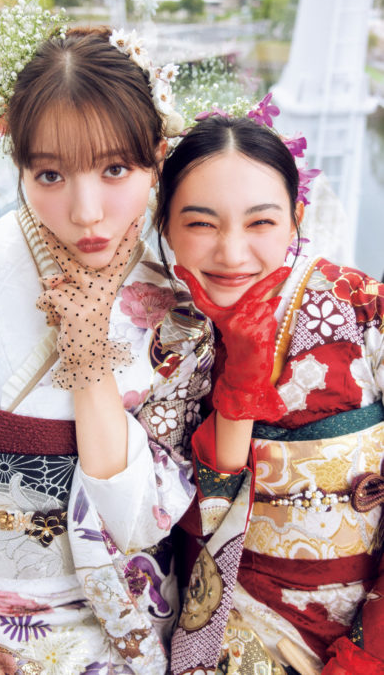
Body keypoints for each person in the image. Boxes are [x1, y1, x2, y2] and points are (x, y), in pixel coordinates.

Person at [0, 0, 213, 674]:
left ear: (157, 159)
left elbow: (137, 524)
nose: (86, 213)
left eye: (115, 170)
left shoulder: (181, 308)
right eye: (50, 175)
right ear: (19, 164)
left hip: (119, 627)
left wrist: (89, 360)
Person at [153, 109, 384, 674]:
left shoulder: (361, 308)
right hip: (232, 633)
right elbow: (163, 525)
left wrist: (363, 659)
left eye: (260, 222)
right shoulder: (152, 342)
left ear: (295, 218)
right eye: (201, 224)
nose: (232, 255)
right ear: (164, 224)